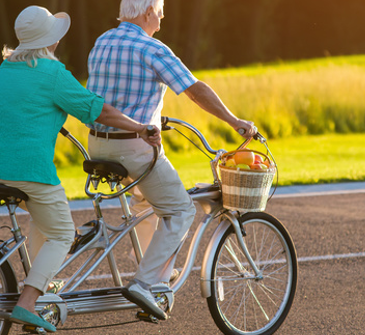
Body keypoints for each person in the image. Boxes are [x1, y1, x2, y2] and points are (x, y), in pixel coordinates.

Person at [0, 5, 160, 331]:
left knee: (42, 218)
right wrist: (140, 127)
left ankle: (42, 284)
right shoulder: (53, 74)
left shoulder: (6, 68)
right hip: (27, 170)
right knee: (62, 233)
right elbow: (98, 110)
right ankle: (28, 303)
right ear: (50, 39)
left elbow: (21, 108)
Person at [86, 0, 256, 320]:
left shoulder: (102, 41)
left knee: (147, 204)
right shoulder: (152, 49)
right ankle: (145, 283)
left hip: (97, 145)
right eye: (160, 15)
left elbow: (115, 95)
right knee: (180, 209)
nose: (161, 23)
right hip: (133, 149)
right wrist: (235, 122)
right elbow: (194, 90)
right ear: (148, 12)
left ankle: (159, 279)